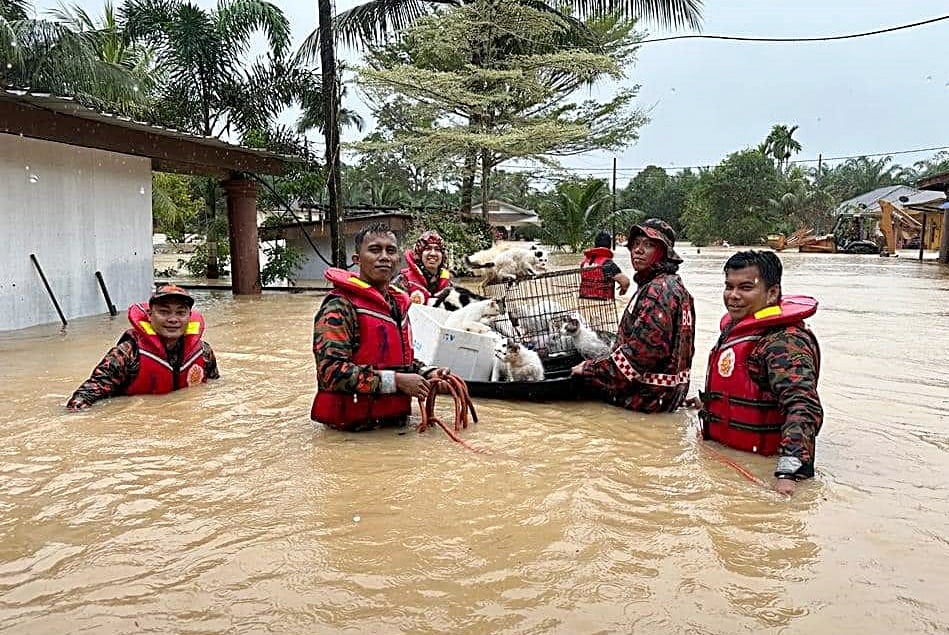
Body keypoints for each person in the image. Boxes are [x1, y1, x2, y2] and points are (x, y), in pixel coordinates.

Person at [694, 250, 822, 497]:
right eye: (728, 287)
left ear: (772, 293)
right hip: (724, 461)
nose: (733, 296)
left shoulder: (783, 341)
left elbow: (803, 406)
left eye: (745, 288)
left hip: (759, 469)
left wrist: (787, 474)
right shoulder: (739, 327)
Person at [311, 223, 449, 431]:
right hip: (352, 434)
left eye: (391, 251)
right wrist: (397, 382)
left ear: (398, 259)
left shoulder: (397, 305)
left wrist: (428, 373)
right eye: (375, 250)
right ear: (357, 260)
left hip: (395, 426)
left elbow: (400, 362)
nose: (384, 256)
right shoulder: (339, 306)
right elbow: (331, 373)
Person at [571, 219, 695, 413]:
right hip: (665, 397)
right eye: (635, 244)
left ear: (663, 252)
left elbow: (641, 355)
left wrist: (590, 369)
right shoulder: (673, 286)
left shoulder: (657, 292)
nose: (638, 250)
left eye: (648, 245)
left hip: (645, 400)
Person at [66, 285, 219, 410]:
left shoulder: (204, 352)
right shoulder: (126, 354)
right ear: (149, 315)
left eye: (181, 313)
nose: (173, 319)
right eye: (164, 312)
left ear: (189, 316)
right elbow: (83, 397)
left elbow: (215, 388)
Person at [392, 230, 453, 304]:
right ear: (420, 254)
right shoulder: (404, 280)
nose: (433, 253)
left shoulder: (448, 284)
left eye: (437, 249)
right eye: (428, 249)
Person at [579, 229, 631, 300]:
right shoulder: (608, 264)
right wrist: (623, 290)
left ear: (595, 245)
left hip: (584, 300)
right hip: (603, 302)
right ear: (609, 246)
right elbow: (625, 282)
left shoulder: (584, 262)